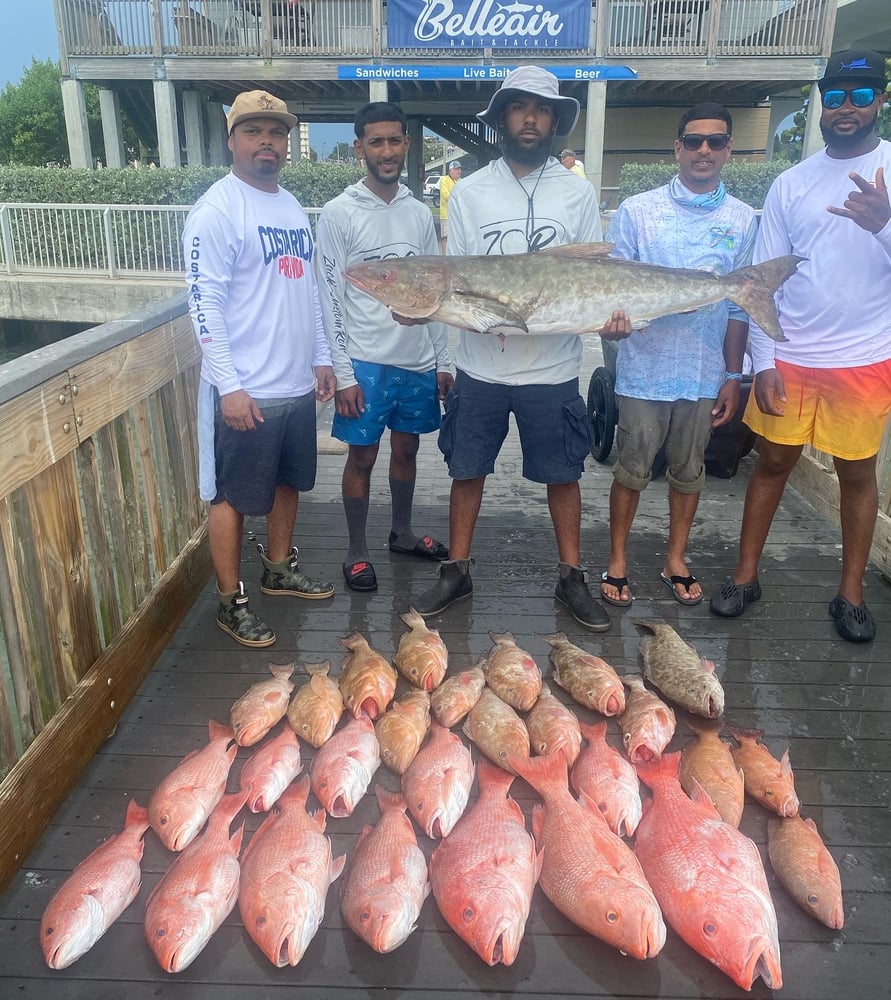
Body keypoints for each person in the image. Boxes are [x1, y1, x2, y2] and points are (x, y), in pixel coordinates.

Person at [413, 65, 628, 630]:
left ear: (554, 120)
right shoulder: (469, 192)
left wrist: (610, 319)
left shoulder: (577, 191)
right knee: (466, 469)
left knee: (565, 473)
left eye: (541, 110)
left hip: (554, 367)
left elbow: (592, 274)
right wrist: (426, 312)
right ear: (501, 119)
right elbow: (453, 278)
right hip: (479, 366)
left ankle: (571, 576)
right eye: (518, 108)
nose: (530, 119)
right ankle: (456, 569)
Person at [709, 49, 891, 643]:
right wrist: (761, 361)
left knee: (858, 476)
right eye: (835, 95)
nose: (845, 107)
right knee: (772, 464)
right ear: (821, 104)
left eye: (860, 96)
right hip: (791, 354)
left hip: (864, 358)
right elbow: (762, 282)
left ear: (880, 102)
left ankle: (852, 593)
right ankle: (745, 576)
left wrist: (884, 224)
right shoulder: (792, 182)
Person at [183, 89, 335, 648]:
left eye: (276, 131)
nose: (267, 141)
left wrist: (321, 356)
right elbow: (204, 303)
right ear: (232, 140)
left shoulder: (290, 205)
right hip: (245, 389)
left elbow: (308, 293)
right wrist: (229, 385)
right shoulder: (217, 210)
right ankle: (230, 601)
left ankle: (278, 569)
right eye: (253, 131)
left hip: (295, 386)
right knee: (231, 497)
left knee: (288, 484)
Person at [601, 102, 757, 609]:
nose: (704, 150)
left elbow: (739, 306)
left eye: (715, 141)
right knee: (631, 468)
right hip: (645, 369)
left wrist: (734, 375)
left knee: (689, 471)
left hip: (702, 372)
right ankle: (618, 561)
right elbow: (613, 289)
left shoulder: (741, 219)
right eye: (693, 141)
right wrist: (615, 324)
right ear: (678, 148)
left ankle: (675, 559)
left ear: (729, 149)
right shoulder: (638, 211)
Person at [315, 102, 454, 592]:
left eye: (395, 140)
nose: (387, 150)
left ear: (406, 144)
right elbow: (328, 296)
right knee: (362, 457)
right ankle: (356, 549)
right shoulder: (338, 214)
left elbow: (436, 291)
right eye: (376, 141)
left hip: (416, 360)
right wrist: (345, 372)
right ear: (360, 148)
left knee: (407, 451)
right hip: (366, 361)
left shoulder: (419, 213)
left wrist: (443, 358)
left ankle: (402, 532)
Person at [438, 159, 462, 251]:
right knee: (445, 237)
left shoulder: (461, 181)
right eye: (456, 169)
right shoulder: (444, 180)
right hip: (446, 215)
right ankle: (444, 258)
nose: (459, 171)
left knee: (457, 237)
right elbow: (445, 195)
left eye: (460, 169)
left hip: (458, 215)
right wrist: (457, 197)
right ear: (450, 170)